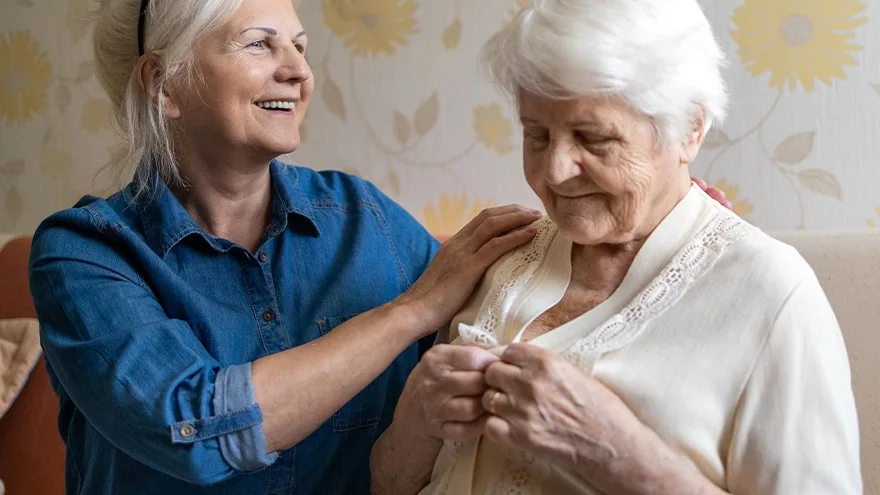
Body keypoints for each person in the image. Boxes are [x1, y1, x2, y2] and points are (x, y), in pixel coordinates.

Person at [27, 0, 731, 493]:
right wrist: (408, 311)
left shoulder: (363, 218)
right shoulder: (83, 255)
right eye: (258, 44)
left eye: (300, 47)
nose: (297, 71)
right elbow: (201, 429)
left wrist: (659, 233)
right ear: (163, 84)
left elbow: (511, 304)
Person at [370, 0, 862, 494]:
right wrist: (416, 417)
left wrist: (613, 452)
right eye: (536, 135)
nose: (555, 171)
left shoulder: (770, 293)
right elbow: (387, 484)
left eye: (594, 138)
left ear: (690, 129)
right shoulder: (497, 255)